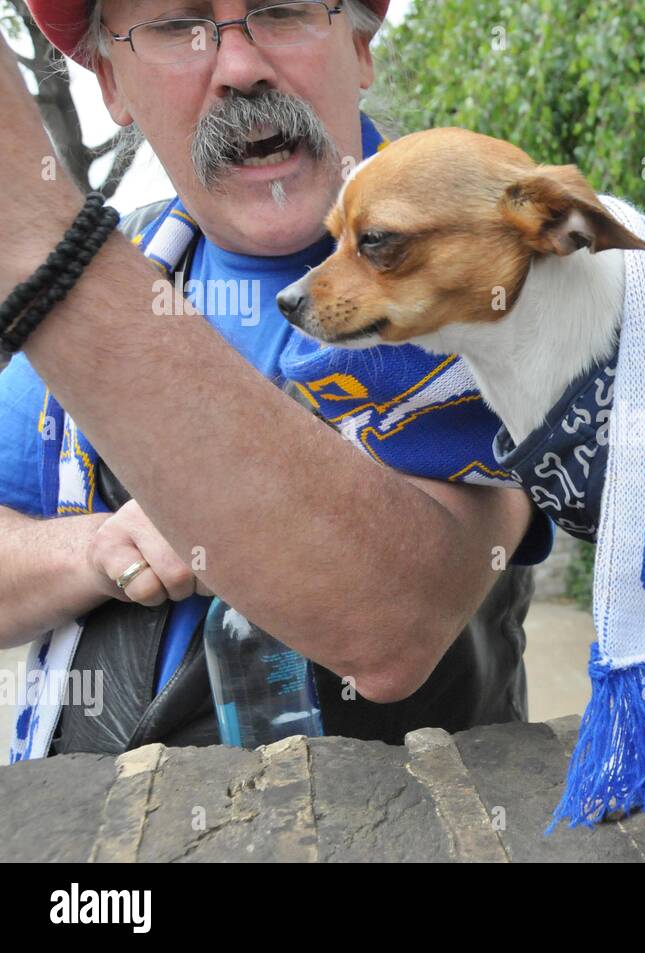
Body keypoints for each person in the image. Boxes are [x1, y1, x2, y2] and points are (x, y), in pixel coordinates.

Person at [0, 0, 552, 760]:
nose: (238, 65)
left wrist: (39, 241)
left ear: (359, 46)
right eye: (175, 27)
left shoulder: (486, 257)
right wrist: (94, 550)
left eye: (282, 10)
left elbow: (393, 627)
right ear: (110, 85)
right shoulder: (119, 271)